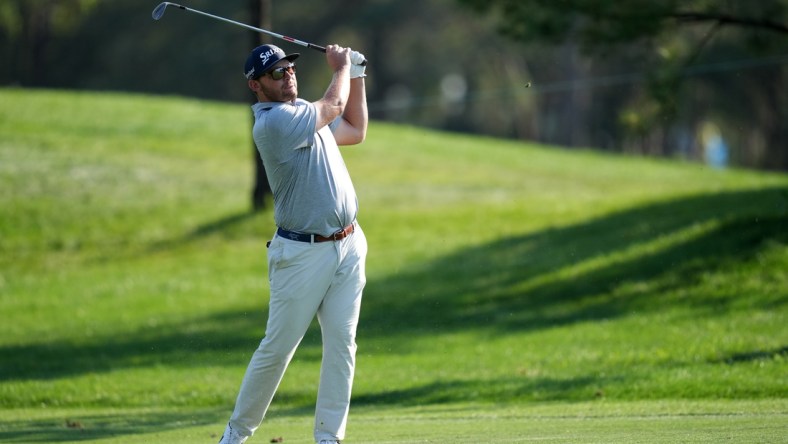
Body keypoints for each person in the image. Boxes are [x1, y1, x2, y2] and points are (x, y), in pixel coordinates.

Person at [218, 43, 368, 444]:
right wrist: (340, 67)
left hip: (349, 246)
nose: (287, 76)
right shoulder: (274, 123)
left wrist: (357, 73)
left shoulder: (304, 113)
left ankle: (328, 438)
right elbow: (335, 105)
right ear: (256, 86)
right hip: (301, 255)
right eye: (276, 74)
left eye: (288, 69)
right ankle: (236, 434)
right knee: (277, 349)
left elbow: (355, 129)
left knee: (342, 344)